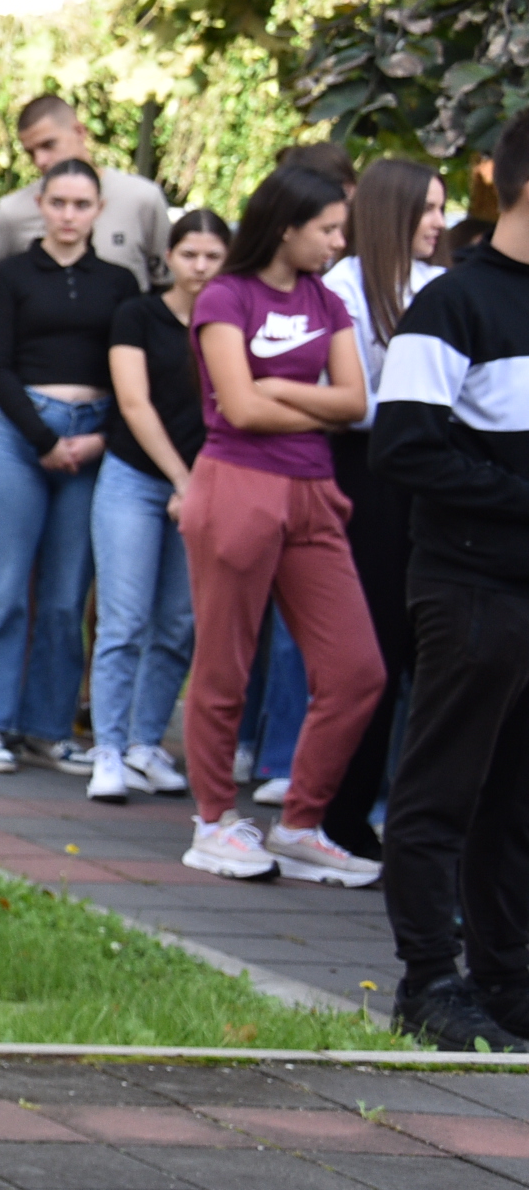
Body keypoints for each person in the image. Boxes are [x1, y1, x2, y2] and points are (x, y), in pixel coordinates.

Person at [175, 165, 384, 887]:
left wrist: (276, 388)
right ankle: (213, 823)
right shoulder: (226, 296)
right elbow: (238, 410)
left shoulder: (328, 300)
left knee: (358, 670)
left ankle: (299, 826)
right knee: (225, 665)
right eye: (327, 229)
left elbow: (355, 401)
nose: (338, 242)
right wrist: (301, 402)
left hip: (314, 494)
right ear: (286, 227)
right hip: (236, 487)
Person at [371, 111, 529, 1051]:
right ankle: (429, 981)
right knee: (442, 791)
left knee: (518, 801)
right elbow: (405, 447)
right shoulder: (454, 304)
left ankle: (508, 981)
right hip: (471, 588)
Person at [0, 159, 136, 774]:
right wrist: (44, 438)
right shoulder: (10, 276)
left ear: (98, 210)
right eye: (59, 203)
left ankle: (47, 728)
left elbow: (131, 374)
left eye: (81, 204)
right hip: (17, 438)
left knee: (64, 596)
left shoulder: (119, 282)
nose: (69, 215)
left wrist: (97, 440)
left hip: (91, 442)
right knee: (0, 588)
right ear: (41, 205)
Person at [313, 157, 449, 856]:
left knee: (432, 654)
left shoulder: (442, 287)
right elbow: (341, 400)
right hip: (363, 476)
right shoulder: (341, 288)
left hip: (431, 479)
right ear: (393, 211)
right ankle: (343, 815)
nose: (440, 222)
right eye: (429, 208)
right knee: (374, 648)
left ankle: (418, 818)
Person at [84, 210, 229, 802]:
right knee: (123, 619)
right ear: (169, 256)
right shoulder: (138, 315)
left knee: (178, 622)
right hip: (135, 479)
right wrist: (181, 479)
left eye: (213, 257)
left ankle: (146, 742)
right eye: (190, 254)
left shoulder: (229, 323)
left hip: (205, 482)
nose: (200, 267)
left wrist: (199, 484)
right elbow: (134, 404)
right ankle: (108, 748)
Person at [0, 94, 170, 289]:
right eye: (31, 153)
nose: (40, 160)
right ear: (40, 203)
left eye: (48, 145)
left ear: (80, 132)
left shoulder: (141, 198)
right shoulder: (14, 212)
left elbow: (169, 286)